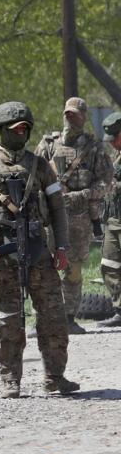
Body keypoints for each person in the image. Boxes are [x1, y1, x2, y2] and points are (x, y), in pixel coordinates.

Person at [0, 101, 79, 399]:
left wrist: (62, 246)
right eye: (15, 129)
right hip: (2, 255)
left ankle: (55, 377)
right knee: (9, 320)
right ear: (1, 131)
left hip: (39, 252)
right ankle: (10, 379)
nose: (21, 133)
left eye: (25, 128)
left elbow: (57, 208)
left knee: (53, 317)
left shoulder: (40, 166)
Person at [34, 97, 112, 335]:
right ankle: (44, 320)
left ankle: (68, 318)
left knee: (73, 269)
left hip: (79, 220)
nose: (70, 118)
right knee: (45, 269)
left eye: (75, 115)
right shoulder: (48, 145)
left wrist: (82, 195)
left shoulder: (94, 148)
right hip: (49, 218)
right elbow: (33, 175)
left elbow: (106, 182)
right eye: (67, 114)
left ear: (83, 117)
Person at [96, 112, 121, 328]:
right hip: (114, 220)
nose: (112, 143)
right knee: (109, 264)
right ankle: (120, 310)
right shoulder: (117, 157)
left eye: (115, 138)